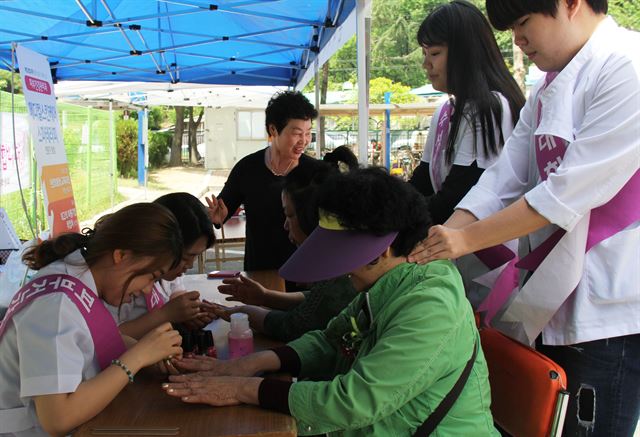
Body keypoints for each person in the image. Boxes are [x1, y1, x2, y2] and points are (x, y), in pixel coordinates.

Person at [409, 0, 639, 434]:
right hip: (551, 299)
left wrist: (462, 241)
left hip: (607, 308)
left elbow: (565, 192)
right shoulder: (550, 85)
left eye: (523, 22)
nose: (517, 39)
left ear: (570, 4)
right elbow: (504, 174)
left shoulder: (626, 65)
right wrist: (448, 234)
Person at [163, 168, 498, 436]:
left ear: (381, 250)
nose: (340, 268)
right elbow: (330, 341)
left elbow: (354, 402)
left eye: (343, 254)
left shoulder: (430, 306)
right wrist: (251, 363)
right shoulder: (388, 283)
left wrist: (242, 389)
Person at [0, 203, 184, 436]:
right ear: (122, 256)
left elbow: (89, 340)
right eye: (151, 276)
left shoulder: (76, 280)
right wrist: (137, 358)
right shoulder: (56, 304)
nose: (148, 290)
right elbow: (57, 419)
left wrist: (145, 353)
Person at [408, 0, 526, 308]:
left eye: (434, 54)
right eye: (425, 54)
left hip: (489, 261)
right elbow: (421, 181)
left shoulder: (488, 107)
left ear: (464, 54)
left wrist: (397, 222)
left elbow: (458, 194)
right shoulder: (446, 110)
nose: (427, 64)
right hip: (456, 253)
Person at [212, 160, 358, 342]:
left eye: (289, 215)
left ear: (312, 217)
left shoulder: (348, 271)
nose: (285, 225)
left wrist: (238, 313)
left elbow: (293, 325)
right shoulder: (342, 260)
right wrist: (265, 297)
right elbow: (319, 300)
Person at [206, 91, 318, 274]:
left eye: (308, 133)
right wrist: (218, 217)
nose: (304, 141)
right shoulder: (247, 168)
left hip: (305, 271)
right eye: (297, 133)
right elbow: (223, 207)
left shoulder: (315, 173)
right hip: (259, 270)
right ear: (273, 130)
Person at [111, 193, 217, 339]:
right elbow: (107, 338)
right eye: (186, 257)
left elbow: (175, 291)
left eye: (195, 256)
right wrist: (166, 314)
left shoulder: (169, 271)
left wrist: (189, 311)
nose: (190, 265)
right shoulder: (120, 281)